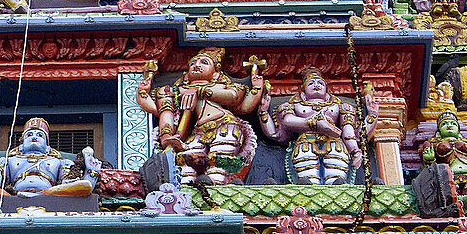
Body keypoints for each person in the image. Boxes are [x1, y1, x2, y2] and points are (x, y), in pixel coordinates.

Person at [137, 48, 262, 184]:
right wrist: (143, 93)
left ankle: (217, 191)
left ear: (215, 73)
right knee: (185, 164)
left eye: (204, 62)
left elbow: (240, 104)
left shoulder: (223, 87)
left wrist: (257, 88)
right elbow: (161, 110)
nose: (196, 65)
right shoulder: (175, 91)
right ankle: (187, 193)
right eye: (193, 63)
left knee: (219, 165)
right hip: (194, 132)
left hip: (224, 126)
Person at [0, 117, 103, 213]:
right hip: (13, 193)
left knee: (85, 185)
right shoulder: (8, 160)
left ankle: (47, 192)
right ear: (21, 142)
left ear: (47, 146)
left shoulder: (60, 162)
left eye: (40, 135)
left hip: (49, 192)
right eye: (29, 134)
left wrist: (91, 172)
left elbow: (71, 184)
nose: (34, 137)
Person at [268, 68, 367, 185]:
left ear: (327, 90)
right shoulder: (293, 105)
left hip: (335, 144)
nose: (316, 85)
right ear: (303, 92)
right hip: (305, 143)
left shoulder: (339, 106)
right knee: (308, 179)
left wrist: (355, 150)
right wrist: (315, 124)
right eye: (311, 83)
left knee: (337, 179)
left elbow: (348, 129)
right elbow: (288, 121)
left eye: (320, 83)